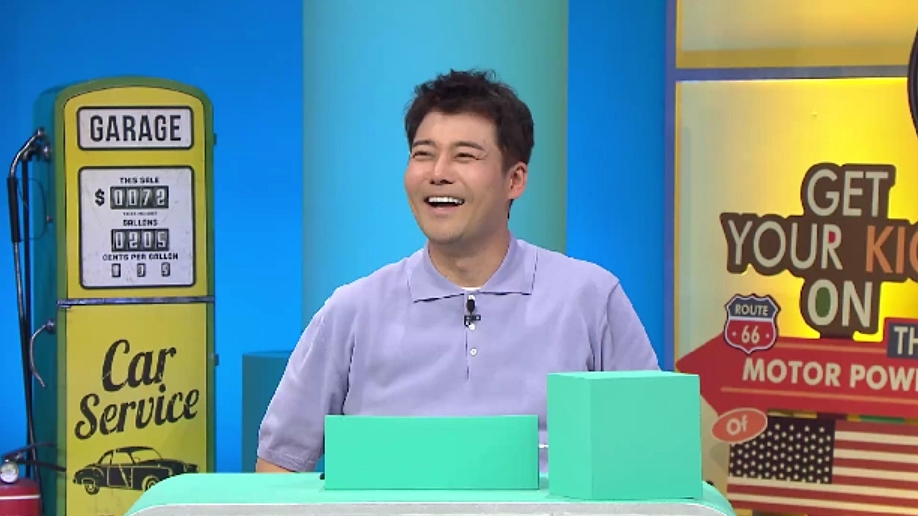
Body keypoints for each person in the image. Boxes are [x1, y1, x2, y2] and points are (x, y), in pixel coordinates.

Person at [255, 69, 659, 474]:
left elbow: (652, 453)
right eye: (423, 154)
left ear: (515, 180)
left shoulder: (590, 297)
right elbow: (279, 466)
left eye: (464, 156)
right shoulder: (353, 310)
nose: (438, 173)